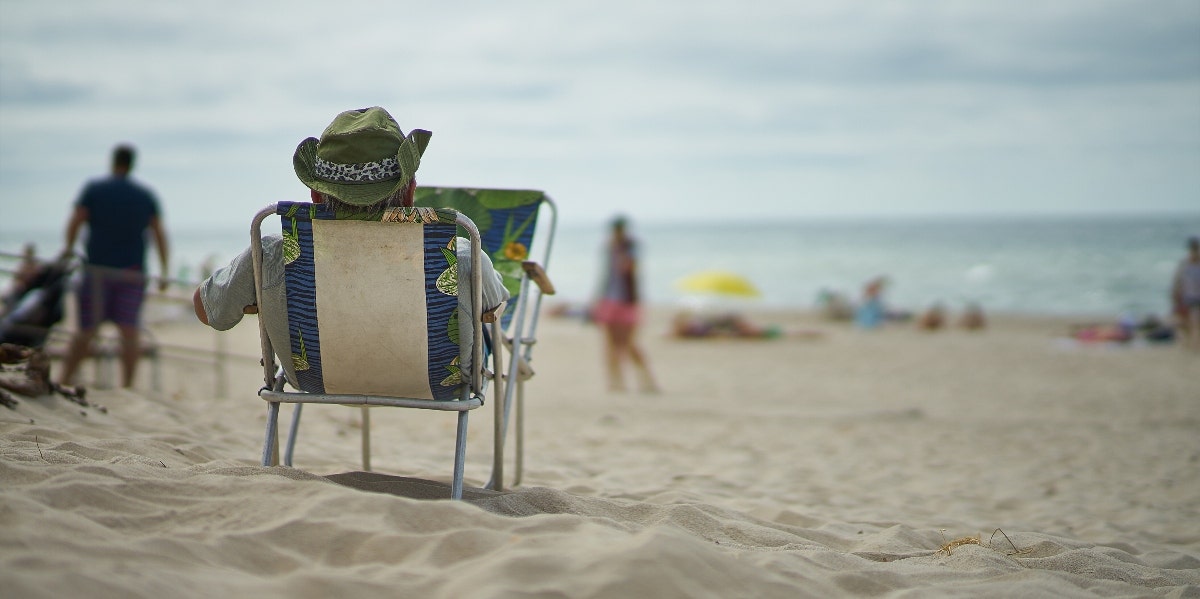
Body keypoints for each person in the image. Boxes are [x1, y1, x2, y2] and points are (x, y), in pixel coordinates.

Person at [193, 107, 508, 388]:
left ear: (316, 196)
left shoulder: (274, 254)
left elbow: (210, 311)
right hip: (440, 381)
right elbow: (496, 306)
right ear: (411, 193)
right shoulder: (461, 257)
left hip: (313, 378)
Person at [58, 144, 169, 388]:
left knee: (85, 331)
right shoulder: (144, 195)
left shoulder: (96, 190)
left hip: (96, 270)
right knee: (129, 332)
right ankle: (127, 386)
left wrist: (68, 249)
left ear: (113, 161)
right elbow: (158, 233)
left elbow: (76, 220)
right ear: (132, 164)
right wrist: (164, 270)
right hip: (131, 272)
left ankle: (64, 379)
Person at [592, 216, 659, 393]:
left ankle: (646, 379)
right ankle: (615, 381)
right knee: (610, 343)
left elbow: (630, 269)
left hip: (626, 301)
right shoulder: (609, 248)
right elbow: (606, 275)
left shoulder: (630, 247)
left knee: (628, 343)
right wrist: (597, 299)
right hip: (610, 299)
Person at [1171, 236, 1200, 349]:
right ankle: (1190, 341)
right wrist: (1175, 294)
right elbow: (1178, 280)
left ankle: (1196, 343)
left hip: (1198, 296)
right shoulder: (1184, 264)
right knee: (1185, 322)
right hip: (1187, 296)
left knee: (1197, 321)